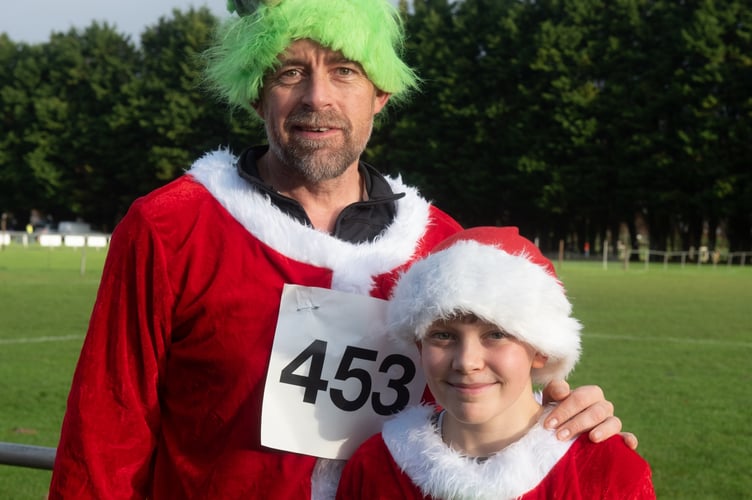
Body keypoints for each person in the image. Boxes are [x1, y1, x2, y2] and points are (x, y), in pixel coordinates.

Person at [49, 1, 630, 499]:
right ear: (256, 94)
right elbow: (106, 432)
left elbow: (485, 406)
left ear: (380, 92)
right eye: (289, 72)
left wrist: (569, 417)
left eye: (345, 70)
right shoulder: (171, 226)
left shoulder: (442, 248)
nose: (317, 97)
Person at [337, 227, 655, 500]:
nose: (467, 361)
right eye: (444, 335)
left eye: (496, 334)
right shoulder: (374, 465)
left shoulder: (609, 473)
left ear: (541, 347)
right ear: (419, 345)